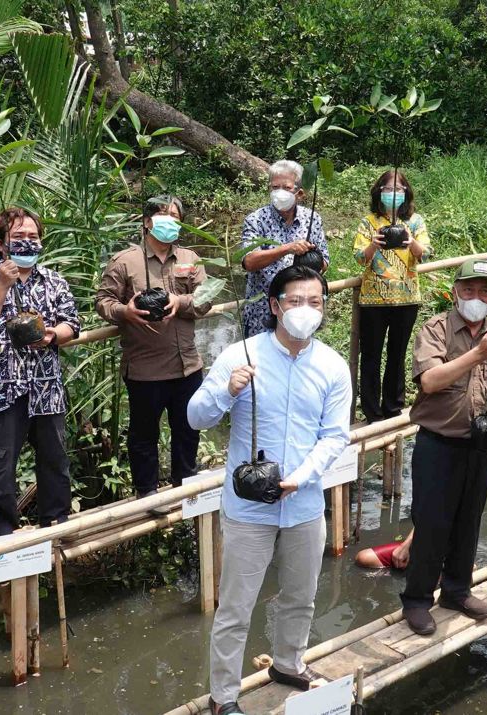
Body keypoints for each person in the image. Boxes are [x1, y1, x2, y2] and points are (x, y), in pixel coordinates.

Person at [187, 265, 352, 715]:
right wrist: (227, 388)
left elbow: (335, 435)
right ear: (275, 306)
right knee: (236, 608)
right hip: (249, 508)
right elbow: (195, 417)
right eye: (295, 302)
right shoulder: (241, 354)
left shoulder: (332, 366)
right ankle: (223, 698)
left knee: (301, 595)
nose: (305, 311)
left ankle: (287, 662)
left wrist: (303, 476)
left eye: (315, 302)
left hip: (304, 503)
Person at [401, 259, 487, 636]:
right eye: (468, 290)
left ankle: (457, 590)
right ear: (455, 291)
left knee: (468, 522)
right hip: (438, 444)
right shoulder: (436, 330)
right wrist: (476, 354)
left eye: (485, 291)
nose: (476, 297)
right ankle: (418, 599)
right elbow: (431, 381)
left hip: (480, 446)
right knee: (432, 524)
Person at [0, 207, 80, 534]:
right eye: (19, 238)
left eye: (33, 237)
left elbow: (73, 322)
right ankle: (4, 543)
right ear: (1, 244)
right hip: (0, 394)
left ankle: (57, 532)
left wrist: (54, 335)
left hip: (46, 392)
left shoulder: (53, 280)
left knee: (55, 466)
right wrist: (2, 285)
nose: (28, 243)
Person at [95, 196, 213, 507]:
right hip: (145, 368)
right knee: (143, 435)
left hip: (187, 364)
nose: (170, 220)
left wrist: (181, 302)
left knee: (187, 430)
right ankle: (147, 494)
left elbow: (207, 297)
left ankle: (185, 488)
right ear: (148, 221)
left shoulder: (190, 258)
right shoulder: (124, 261)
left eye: (176, 215)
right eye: (163, 215)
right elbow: (103, 302)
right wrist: (125, 312)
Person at [354, 169, 429, 423]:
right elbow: (359, 258)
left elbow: (425, 254)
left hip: (406, 299)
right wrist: (374, 244)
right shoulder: (369, 222)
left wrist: (410, 241)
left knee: (398, 353)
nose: (393, 193)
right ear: (379, 192)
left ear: (406, 192)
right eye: (388, 189)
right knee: (372, 354)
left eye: (398, 188)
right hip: (373, 299)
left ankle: (393, 406)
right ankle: (372, 411)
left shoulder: (415, 221)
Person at [239, 160, 329, 337]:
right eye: (275, 187)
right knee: (260, 361)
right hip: (261, 312)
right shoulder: (256, 220)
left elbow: (325, 262)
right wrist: (287, 249)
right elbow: (248, 261)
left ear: (299, 193)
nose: (279, 192)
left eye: (286, 187)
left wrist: (310, 260)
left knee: (296, 355)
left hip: (301, 312)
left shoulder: (312, 219)